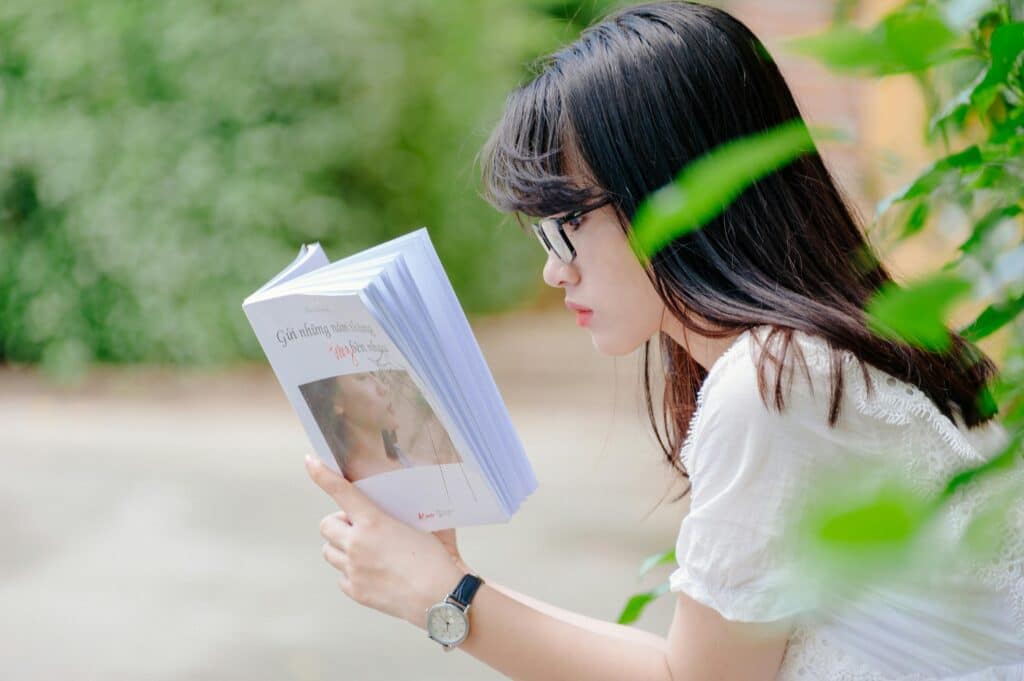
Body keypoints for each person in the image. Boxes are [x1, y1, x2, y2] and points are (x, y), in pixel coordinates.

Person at [302, 2, 1024, 678]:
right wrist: (453, 587)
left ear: (666, 192)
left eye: (566, 225)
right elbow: (694, 657)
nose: (553, 270)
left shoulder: (772, 384)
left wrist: (446, 599)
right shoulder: (827, 353)